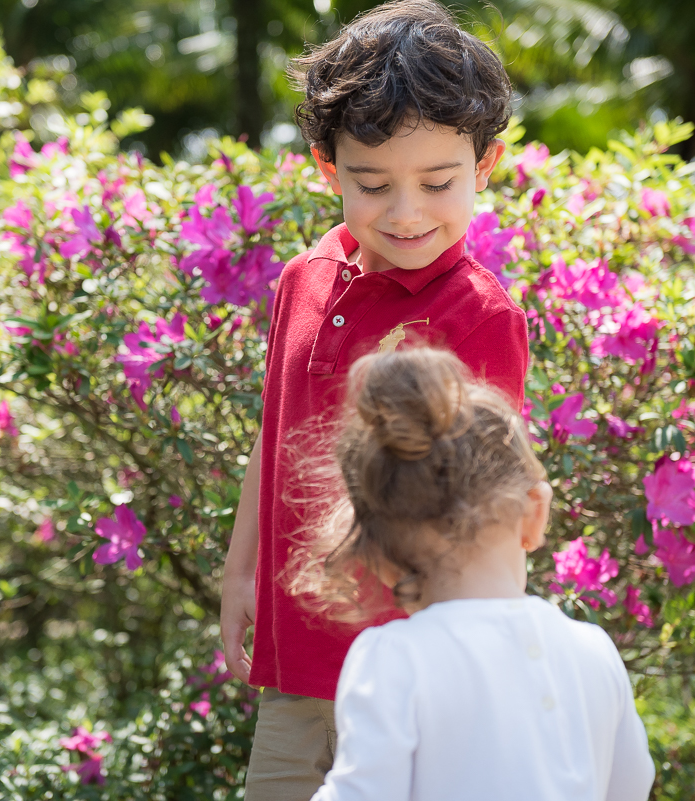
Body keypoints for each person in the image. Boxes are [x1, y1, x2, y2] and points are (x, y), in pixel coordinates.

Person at [219, 1, 530, 797]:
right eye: (371, 182)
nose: (406, 212)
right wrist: (241, 569)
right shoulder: (301, 281)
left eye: (437, 182)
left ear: (484, 166)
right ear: (328, 169)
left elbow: (487, 508)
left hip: (418, 682)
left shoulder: (480, 315)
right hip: (298, 677)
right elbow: (274, 428)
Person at [298, 348, 656, 801]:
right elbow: (629, 789)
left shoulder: (393, 659)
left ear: (376, 556)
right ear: (536, 514)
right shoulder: (593, 652)